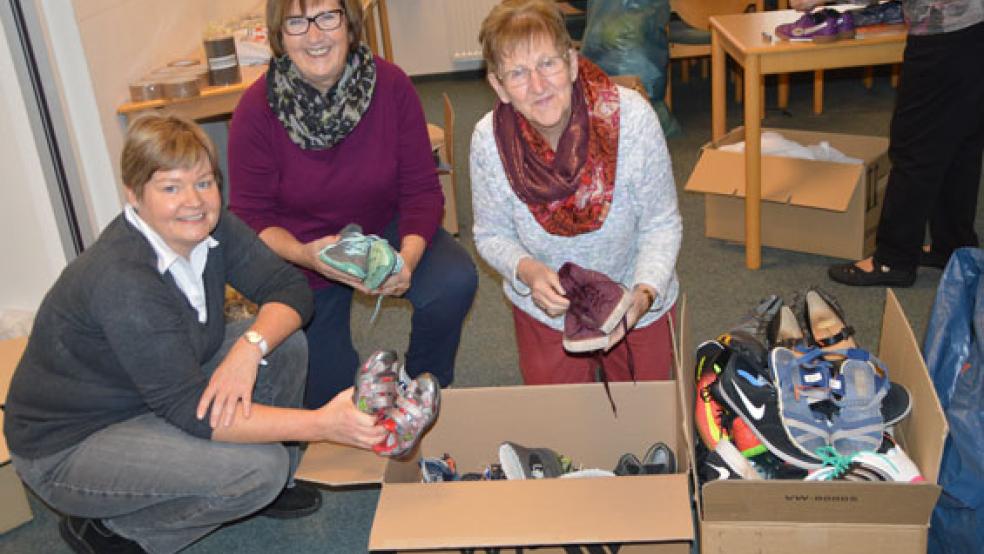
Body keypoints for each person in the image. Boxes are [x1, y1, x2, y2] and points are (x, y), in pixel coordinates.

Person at [2, 114, 387, 554]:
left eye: (204, 182)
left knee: (282, 345)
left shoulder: (212, 226)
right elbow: (190, 411)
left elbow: (289, 289)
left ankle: (267, 483)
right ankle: (117, 531)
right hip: (69, 445)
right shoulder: (123, 278)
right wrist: (323, 424)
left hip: (145, 392)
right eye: (170, 187)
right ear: (134, 194)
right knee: (258, 469)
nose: (194, 201)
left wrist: (249, 348)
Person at [229, 0, 478, 408]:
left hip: (384, 223)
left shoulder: (392, 86)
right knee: (329, 402)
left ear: (348, 23)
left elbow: (421, 190)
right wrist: (306, 255)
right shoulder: (256, 110)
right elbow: (250, 218)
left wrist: (407, 263)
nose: (314, 35)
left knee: (453, 281)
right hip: (304, 249)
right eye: (297, 22)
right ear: (279, 35)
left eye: (327, 16)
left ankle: (418, 388)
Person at [471, 0, 682, 384]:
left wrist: (644, 293)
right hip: (546, 309)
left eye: (548, 64)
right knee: (560, 428)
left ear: (571, 63)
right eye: (518, 73)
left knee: (648, 421)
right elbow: (491, 234)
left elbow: (661, 224)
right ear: (498, 87)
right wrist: (528, 270)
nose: (538, 86)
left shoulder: (632, 120)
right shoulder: (489, 141)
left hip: (636, 294)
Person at [801, 0, 984, 287]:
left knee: (914, 147)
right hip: (971, 28)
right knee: (959, 141)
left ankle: (892, 261)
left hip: (946, 35)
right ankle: (953, 246)